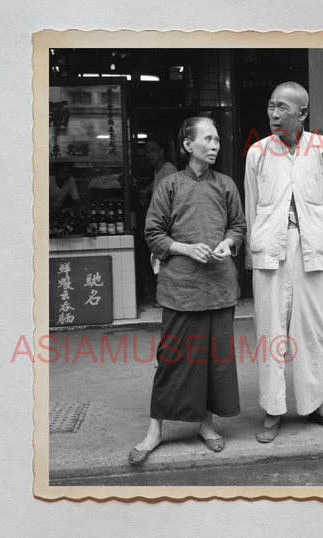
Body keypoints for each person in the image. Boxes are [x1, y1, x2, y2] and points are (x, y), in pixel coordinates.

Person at [128, 117, 246, 465]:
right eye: (207, 139)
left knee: (212, 361)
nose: (215, 145)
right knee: (172, 359)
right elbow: (153, 233)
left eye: (216, 140)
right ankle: (155, 430)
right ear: (187, 145)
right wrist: (185, 248)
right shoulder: (169, 185)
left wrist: (227, 242)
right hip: (180, 287)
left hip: (219, 287)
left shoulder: (225, 184)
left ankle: (205, 425)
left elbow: (238, 226)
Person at [244, 81, 323, 443]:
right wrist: (255, 247)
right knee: (270, 331)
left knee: (314, 331)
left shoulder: (322, 149)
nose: (274, 114)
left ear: (302, 112)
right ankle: (273, 409)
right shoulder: (257, 153)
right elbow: (252, 206)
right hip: (271, 247)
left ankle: (316, 402)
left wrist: (309, 224)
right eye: (271, 106)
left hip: (310, 246)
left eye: (282, 108)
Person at [145, 137, 178, 283]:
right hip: (159, 222)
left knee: (164, 260)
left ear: (162, 151)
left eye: (153, 150)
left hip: (167, 223)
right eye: (147, 151)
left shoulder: (169, 169)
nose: (149, 154)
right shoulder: (158, 171)